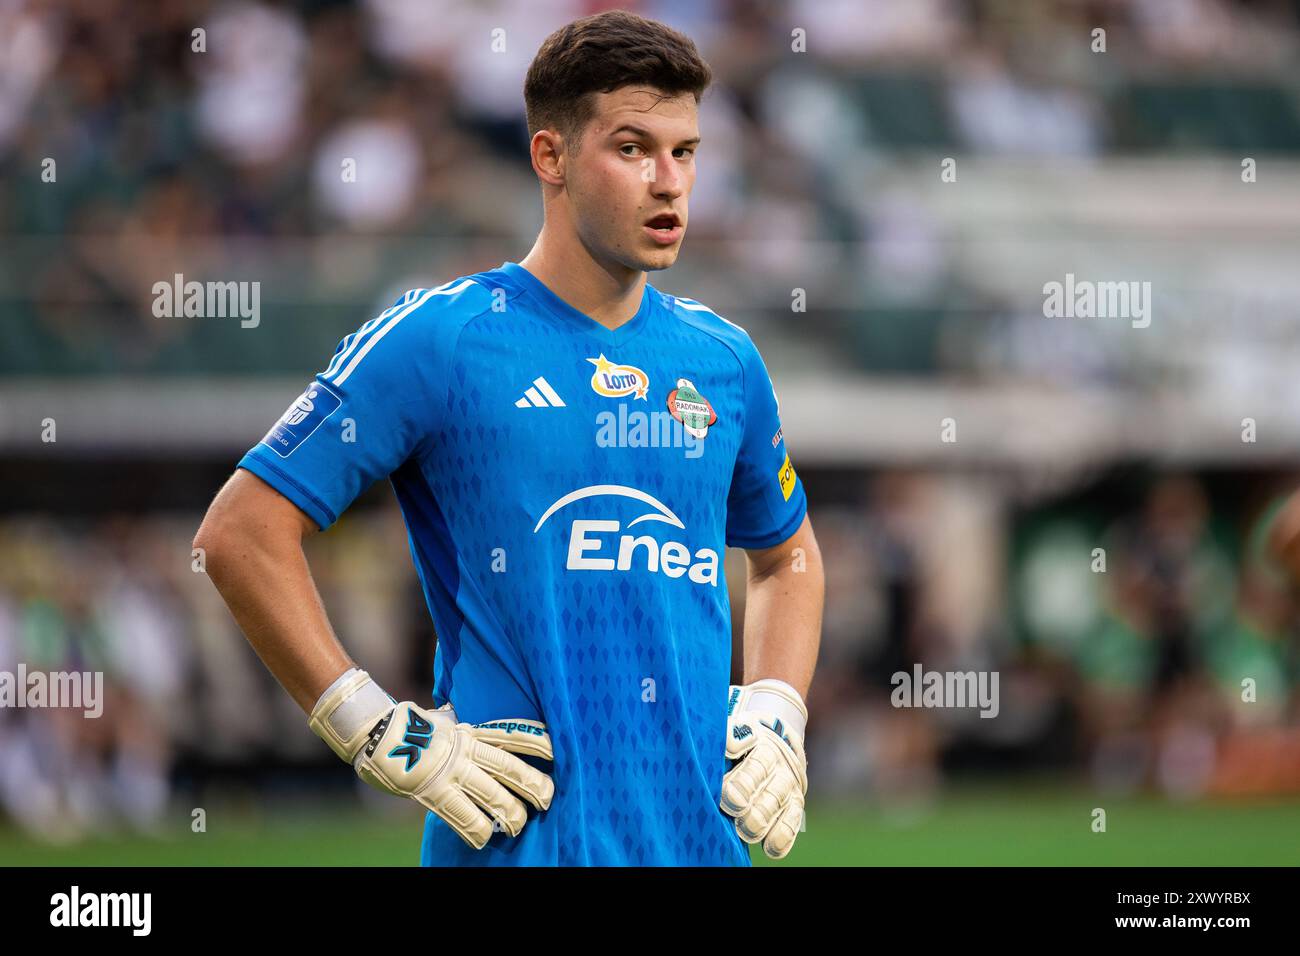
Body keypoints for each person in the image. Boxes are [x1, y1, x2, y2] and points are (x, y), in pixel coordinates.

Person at [194, 9, 823, 867]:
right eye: (633, 148)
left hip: (701, 846)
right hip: (514, 846)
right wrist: (372, 728)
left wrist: (780, 706)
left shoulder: (725, 360)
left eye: (686, 152)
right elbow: (240, 533)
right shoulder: (441, 340)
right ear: (550, 156)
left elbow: (789, 558)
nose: (669, 181)